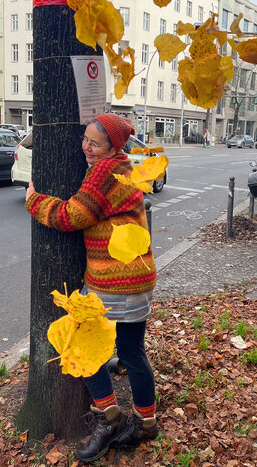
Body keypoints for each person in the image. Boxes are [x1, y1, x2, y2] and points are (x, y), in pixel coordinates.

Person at [25, 113, 158, 463]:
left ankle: (109, 418)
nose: (85, 146)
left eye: (94, 143)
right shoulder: (124, 166)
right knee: (132, 352)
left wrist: (35, 200)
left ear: (113, 147)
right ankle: (146, 422)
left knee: (82, 349)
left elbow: (71, 216)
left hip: (113, 282)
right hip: (138, 277)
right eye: (85, 139)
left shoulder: (104, 173)